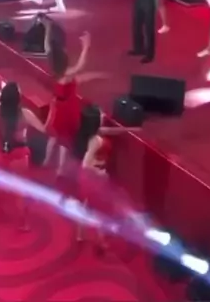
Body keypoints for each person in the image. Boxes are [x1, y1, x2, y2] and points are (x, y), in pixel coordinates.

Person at [71, 104, 138, 252]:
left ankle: (80, 234)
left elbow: (109, 131)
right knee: (100, 209)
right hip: (94, 178)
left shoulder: (90, 133)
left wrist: (130, 130)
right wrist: (98, 172)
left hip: (87, 178)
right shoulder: (96, 140)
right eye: (100, 114)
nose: (103, 115)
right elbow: (86, 163)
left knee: (86, 205)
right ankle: (100, 240)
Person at [0, 82, 47, 229]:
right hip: (19, 154)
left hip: (4, 151)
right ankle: (24, 222)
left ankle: (0, 210)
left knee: (1, 184)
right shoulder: (25, 114)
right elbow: (43, 129)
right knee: (20, 190)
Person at [42, 18, 91, 177]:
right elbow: (81, 65)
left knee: (54, 136)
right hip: (67, 109)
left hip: (57, 106)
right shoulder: (66, 75)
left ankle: (46, 160)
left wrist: (48, 28)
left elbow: (47, 48)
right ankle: (60, 169)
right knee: (65, 140)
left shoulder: (54, 68)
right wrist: (86, 47)